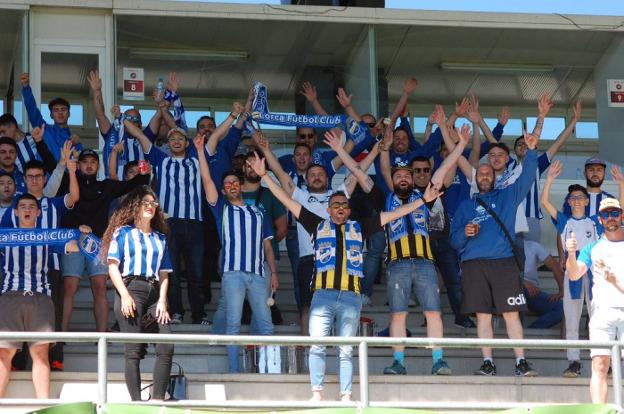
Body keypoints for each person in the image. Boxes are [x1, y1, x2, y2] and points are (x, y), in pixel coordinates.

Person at [248, 148, 442, 401]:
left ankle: (346, 395)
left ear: (349, 210)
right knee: (317, 346)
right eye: (335, 205)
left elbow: (397, 213)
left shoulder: (361, 227)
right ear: (328, 210)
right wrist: (265, 177)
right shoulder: (315, 224)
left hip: (351, 298)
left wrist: (423, 202)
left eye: (344, 205)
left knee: (346, 350)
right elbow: (287, 201)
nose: (340, 208)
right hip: (322, 296)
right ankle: (316, 393)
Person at [378, 119, 471, 376]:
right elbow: (385, 170)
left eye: (408, 175)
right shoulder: (389, 197)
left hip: (425, 263)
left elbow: (441, 173)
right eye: (400, 176)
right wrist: (384, 147)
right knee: (397, 315)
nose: (405, 178)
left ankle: (438, 360)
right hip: (397, 264)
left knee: (433, 312)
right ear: (394, 180)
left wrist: (460, 145)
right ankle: (398, 362)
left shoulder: (424, 196)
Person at [450, 131, 541, 377]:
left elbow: (528, 177)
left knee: (512, 315)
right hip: (473, 265)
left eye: (488, 173)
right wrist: (465, 233)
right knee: (482, 316)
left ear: (494, 177)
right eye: (481, 174)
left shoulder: (508, 196)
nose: (485, 176)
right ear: (475, 179)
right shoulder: (466, 206)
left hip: (503, 264)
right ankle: (487, 363)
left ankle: (521, 362)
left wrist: (531, 152)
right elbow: (454, 242)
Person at [195, 135, 278, 373]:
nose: (231, 185)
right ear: (223, 190)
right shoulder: (221, 208)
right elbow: (206, 179)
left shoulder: (259, 212)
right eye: (227, 184)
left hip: (258, 275)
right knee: (233, 326)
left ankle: (268, 370)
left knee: (266, 326)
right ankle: (234, 371)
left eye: (234, 182)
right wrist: (201, 151)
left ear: (241, 186)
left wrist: (273, 272)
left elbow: (268, 247)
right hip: (232, 274)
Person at [124, 119, 209, 324]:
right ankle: (177, 312)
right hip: (169, 223)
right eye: (172, 138)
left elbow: (213, 142)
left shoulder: (197, 160)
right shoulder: (161, 159)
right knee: (173, 271)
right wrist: (123, 119)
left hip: (195, 222)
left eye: (181, 138)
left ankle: (199, 314)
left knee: (197, 271)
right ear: (167, 143)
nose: (176, 141)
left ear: (187, 143)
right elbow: (140, 135)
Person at [60, 148, 150, 333]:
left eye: (93, 161)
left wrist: (145, 174)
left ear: (98, 165)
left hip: (98, 244)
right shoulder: (68, 182)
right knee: (69, 288)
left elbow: (133, 184)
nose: (89, 164)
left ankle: (101, 336)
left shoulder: (107, 186)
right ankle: (61, 335)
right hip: (73, 242)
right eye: (85, 161)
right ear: (78, 165)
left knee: (100, 287)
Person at [0, 193, 80, 398]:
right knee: (3, 354)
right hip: (10, 296)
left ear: (38, 212)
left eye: (31, 207)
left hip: (41, 296)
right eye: (23, 206)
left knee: (40, 353)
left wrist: (81, 235)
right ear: (15, 212)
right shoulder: (4, 235)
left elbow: (72, 246)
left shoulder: (48, 235)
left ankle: (42, 404)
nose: (27, 210)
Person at [101, 186, 174, 401]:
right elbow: (113, 267)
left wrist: (162, 300)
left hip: (154, 294)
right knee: (133, 351)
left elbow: (164, 273)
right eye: (145, 203)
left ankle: (158, 399)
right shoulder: (122, 232)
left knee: (167, 344)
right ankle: (136, 403)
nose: (150, 207)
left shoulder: (161, 238)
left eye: (153, 203)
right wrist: (124, 295)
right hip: (130, 289)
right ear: (135, 206)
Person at [565, 198, 624, 403]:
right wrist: (571, 254)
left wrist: (616, 282)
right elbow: (573, 275)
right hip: (602, 312)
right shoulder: (592, 248)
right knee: (599, 365)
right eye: (606, 214)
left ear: (622, 215)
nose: (610, 218)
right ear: (599, 219)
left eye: (614, 213)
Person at [20, 73, 82, 161]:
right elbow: (32, 109)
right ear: (51, 115)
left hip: (66, 175)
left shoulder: (74, 140)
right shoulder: (44, 130)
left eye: (63, 109)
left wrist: (78, 144)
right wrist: (26, 87)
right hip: (44, 175)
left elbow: (80, 165)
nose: (60, 112)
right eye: (56, 110)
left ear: (69, 114)